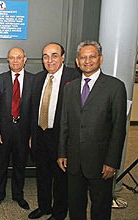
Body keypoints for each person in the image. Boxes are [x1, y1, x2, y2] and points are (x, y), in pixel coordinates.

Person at [57, 40, 127, 220]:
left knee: (101, 207)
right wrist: (62, 153)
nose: (87, 61)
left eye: (92, 56)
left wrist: (112, 162)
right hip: (74, 160)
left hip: (101, 162)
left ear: (100, 59)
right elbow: (64, 123)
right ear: (77, 61)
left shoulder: (115, 87)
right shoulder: (70, 88)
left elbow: (118, 128)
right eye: (83, 57)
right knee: (76, 205)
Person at [29, 43, 80, 220]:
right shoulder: (38, 78)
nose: (49, 60)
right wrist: (31, 136)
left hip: (61, 138)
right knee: (42, 175)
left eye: (54, 55)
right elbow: (32, 110)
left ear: (63, 57)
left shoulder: (75, 78)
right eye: (45, 56)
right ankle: (44, 207)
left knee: (60, 179)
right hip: (40, 135)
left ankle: (59, 213)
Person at [0, 47, 33, 211]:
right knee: (0, 166)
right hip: (3, 132)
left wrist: (32, 135)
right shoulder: (0, 79)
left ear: (25, 59)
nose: (15, 61)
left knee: (20, 166)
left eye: (18, 57)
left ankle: (18, 195)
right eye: (12, 58)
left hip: (23, 133)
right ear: (8, 60)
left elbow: (35, 110)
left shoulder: (33, 80)